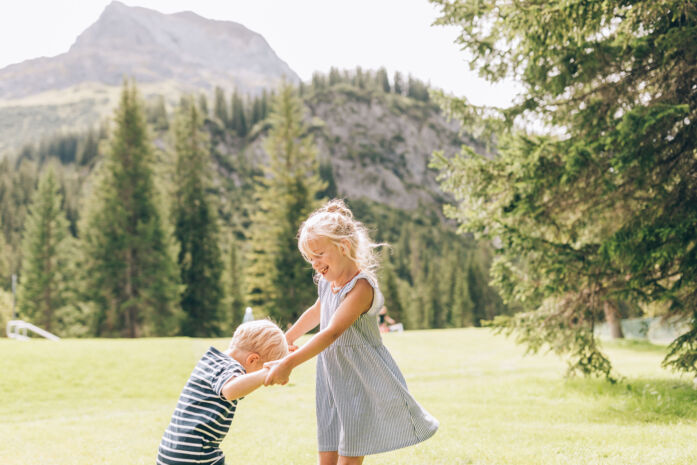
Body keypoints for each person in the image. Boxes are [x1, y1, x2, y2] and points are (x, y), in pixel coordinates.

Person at [264, 199, 438, 465]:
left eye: (319, 254)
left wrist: (289, 363)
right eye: (310, 258)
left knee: (349, 454)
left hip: (359, 376)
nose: (314, 263)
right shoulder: (327, 282)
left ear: (343, 246)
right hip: (331, 375)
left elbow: (331, 332)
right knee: (328, 447)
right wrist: (286, 340)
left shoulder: (361, 288)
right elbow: (317, 312)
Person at [156, 320, 288, 465]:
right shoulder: (230, 369)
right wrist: (265, 374)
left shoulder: (212, 360)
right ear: (253, 360)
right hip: (196, 453)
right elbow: (230, 391)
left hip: (171, 448)